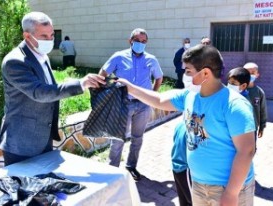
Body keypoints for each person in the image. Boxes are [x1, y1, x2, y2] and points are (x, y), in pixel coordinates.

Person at [117, 44, 256, 205]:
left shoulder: (234, 105)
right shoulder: (190, 96)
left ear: (205, 73)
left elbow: (247, 150)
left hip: (229, 188)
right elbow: (160, 100)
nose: (185, 75)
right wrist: (130, 88)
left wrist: (232, 193)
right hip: (198, 184)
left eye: (188, 71)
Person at [0, 11, 105, 166]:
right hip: (21, 145)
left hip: (43, 138)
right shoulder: (15, 62)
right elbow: (40, 92)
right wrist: (80, 84)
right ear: (27, 36)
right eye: (44, 36)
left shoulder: (42, 55)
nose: (49, 40)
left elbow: (50, 86)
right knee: (24, 188)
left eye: (52, 35)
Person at [99, 28, 163, 181]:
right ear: (130, 41)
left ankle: (131, 166)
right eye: (137, 41)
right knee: (118, 138)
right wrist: (108, 91)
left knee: (137, 138)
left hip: (143, 105)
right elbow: (103, 74)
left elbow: (158, 78)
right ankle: (112, 169)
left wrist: (152, 96)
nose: (140, 44)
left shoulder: (151, 59)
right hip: (123, 104)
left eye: (143, 41)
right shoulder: (119, 57)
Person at [244, 62, 267, 139]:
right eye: (247, 72)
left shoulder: (259, 92)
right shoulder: (237, 90)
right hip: (238, 126)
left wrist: (262, 126)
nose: (250, 75)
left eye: (253, 72)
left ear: (257, 75)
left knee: (251, 149)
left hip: (252, 127)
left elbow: (263, 110)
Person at [171, 122, 192, 206]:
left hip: (176, 165)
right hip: (185, 168)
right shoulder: (193, 129)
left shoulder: (179, 125)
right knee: (193, 200)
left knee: (183, 199)